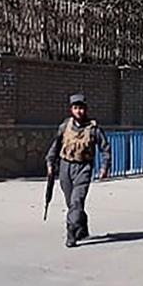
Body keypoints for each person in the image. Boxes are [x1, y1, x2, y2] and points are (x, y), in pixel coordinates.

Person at [45, 93, 112, 248]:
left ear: (85, 109)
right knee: (71, 203)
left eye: (81, 108)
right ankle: (82, 227)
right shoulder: (64, 126)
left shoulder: (94, 129)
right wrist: (50, 163)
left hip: (83, 168)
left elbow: (105, 149)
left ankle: (71, 233)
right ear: (71, 110)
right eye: (76, 108)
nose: (79, 111)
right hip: (65, 167)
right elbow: (55, 146)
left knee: (77, 201)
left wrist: (104, 167)